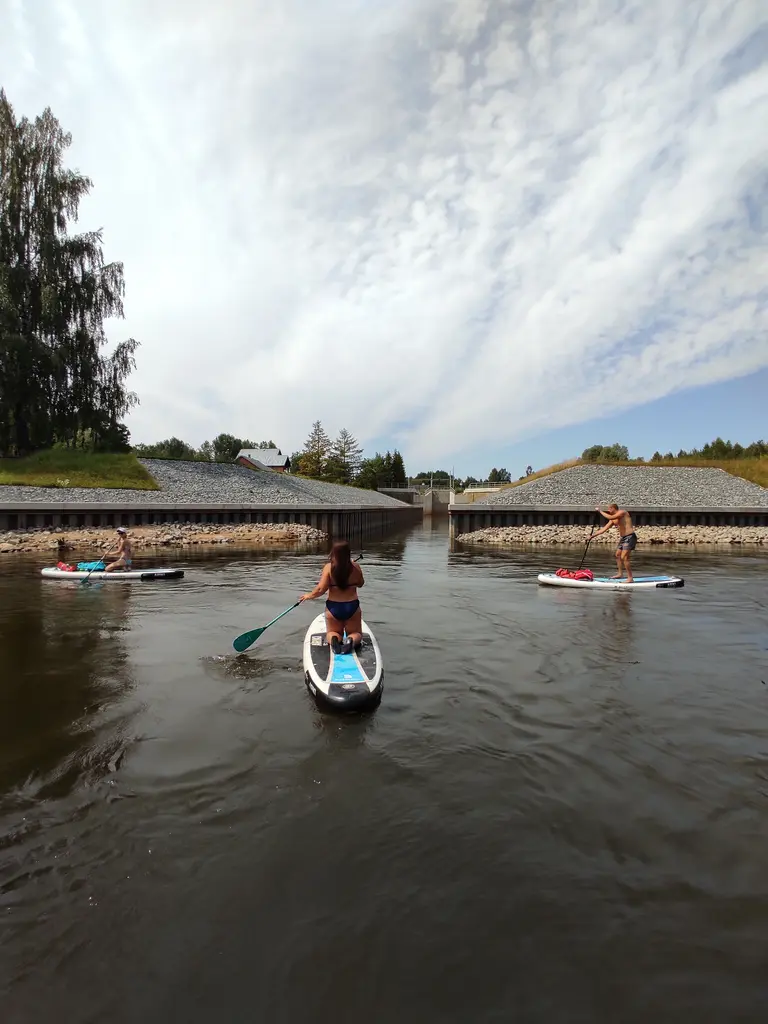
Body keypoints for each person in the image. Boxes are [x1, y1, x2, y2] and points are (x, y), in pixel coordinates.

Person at [299, 540, 364, 654]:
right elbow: (361, 583)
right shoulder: (356, 567)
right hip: (352, 606)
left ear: (334, 553)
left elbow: (320, 590)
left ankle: (334, 640)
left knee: (332, 632)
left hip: (334, 607)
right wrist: (352, 568)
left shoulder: (328, 568)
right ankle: (350, 641)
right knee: (356, 633)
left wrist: (308, 596)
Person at [593, 504, 637, 582]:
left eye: (609, 509)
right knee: (618, 555)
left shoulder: (623, 512)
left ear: (613, 508)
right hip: (623, 538)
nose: (608, 511)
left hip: (630, 537)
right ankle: (620, 574)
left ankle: (630, 578)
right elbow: (604, 529)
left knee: (624, 557)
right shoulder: (613, 520)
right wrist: (592, 536)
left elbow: (610, 517)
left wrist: (600, 511)